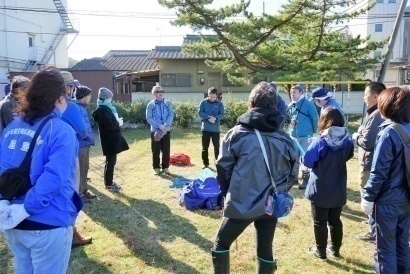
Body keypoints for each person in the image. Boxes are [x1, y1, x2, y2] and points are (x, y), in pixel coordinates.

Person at [0, 67, 83, 273]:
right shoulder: (61, 129)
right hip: (47, 222)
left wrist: (5, 203)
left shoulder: (13, 126)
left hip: (13, 223)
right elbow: (54, 178)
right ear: (59, 97)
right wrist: (27, 208)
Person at [212, 82, 298, 273]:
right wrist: (279, 193)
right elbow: (293, 173)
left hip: (242, 203)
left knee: (221, 243)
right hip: (271, 204)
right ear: (274, 107)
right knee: (265, 248)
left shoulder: (236, 135)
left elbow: (223, 169)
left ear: (250, 105)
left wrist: (228, 194)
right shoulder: (285, 139)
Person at [361, 87, 410, 274]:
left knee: (385, 251)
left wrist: (368, 198)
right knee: (402, 245)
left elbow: (379, 172)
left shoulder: (389, 133)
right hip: (406, 197)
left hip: (387, 201)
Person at [302, 107, 354, 260]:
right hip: (337, 187)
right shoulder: (347, 141)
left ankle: (321, 252)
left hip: (320, 188)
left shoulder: (320, 141)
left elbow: (308, 161)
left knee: (320, 222)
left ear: (323, 121)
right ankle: (335, 250)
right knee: (335, 221)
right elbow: (348, 156)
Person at [60, 71, 92, 247]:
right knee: (70, 193)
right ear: (69, 87)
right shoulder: (69, 106)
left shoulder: (38, 107)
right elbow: (83, 131)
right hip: (68, 155)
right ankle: (71, 233)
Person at [351, 82, 385, 242]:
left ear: (376, 96)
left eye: (366, 95)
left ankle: (374, 231)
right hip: (371, 163)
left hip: (370, 165)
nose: (364, 98)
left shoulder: (377, 114)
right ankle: (373, 224)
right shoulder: (377, 113)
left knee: (369, 197)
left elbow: (368, 141)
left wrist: (356, 137)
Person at [92, 87, 129, 191]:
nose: (111, 100)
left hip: (109, 139)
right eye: (110, 98)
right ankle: (109, 184)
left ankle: (109, 182)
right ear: (106, 98)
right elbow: (110, 125)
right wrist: (118, 123)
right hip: (110, 140)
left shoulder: (104, 108)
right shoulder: (104, 110)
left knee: (110, 162)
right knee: (110, 163)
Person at [287, 84, 319, 189]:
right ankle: (294, 178)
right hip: (293, 137)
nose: (292, 94)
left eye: (295, 92)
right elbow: (287, 119)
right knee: (293, 158)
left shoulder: (308, 104)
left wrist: (313, 131)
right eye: (291, 92)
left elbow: (315, 118)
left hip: (306, 135)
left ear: (301, 93)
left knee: (305, 158)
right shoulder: (291, 105)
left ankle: (305, 179)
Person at [73, 86, 96, 200]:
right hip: (80, 144)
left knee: (85, 169)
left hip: (86, 143)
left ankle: (84, 190)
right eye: (89, 96)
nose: (90, 98)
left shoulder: (82, 107)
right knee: (80, 170)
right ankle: (80, 194)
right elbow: (78, 127)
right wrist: (85, 137)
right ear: (84, 97)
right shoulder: (76, 108)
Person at [146, 86, 174, 175]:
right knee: (156, 150)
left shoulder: (168, 103)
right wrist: (158, 126)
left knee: (166, 149)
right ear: (154, 94)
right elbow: (149, 118)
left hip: (166, 130)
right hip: (155, 131)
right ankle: (156, 167)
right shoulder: (150, 105)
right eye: (158, 91)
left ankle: (165, 167)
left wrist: (165, 125)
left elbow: (171, 115)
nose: (160, 93)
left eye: (162, 91)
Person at [198, 87, 224, 169]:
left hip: (215, 129)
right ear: (208, 95)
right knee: (205, 147)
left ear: (216, 96)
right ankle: (205, 164)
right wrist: (208, 117)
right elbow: (200, 112)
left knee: (217, 147)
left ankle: (217, 163)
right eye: (210, 96)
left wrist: (215, 118)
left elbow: (222, 114)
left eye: (214, 97)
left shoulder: (219, 104)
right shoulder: (203, 103)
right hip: (206, 129)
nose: (212, 98)